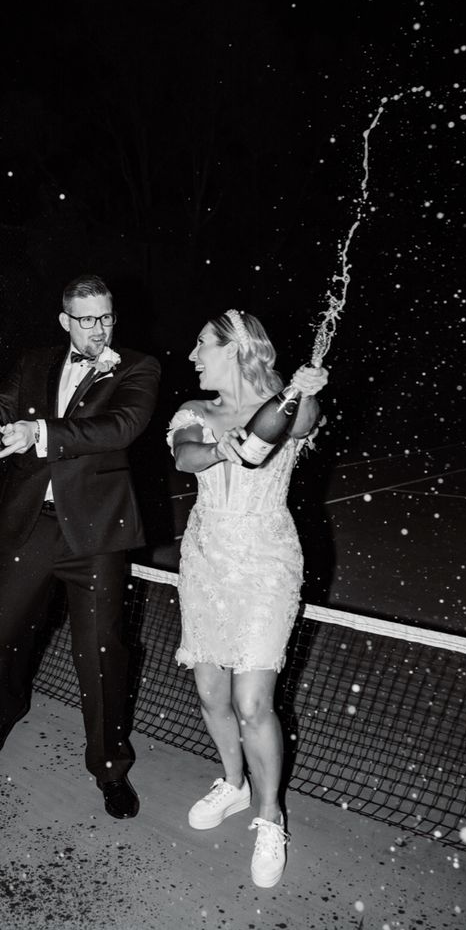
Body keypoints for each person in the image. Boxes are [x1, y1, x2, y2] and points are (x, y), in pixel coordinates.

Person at [0, 274, 160, 820]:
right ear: (65, 322)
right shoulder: (34, 363)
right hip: (30, 524)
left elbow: (121, 425)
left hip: (98, 535)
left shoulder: (137, 366)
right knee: (5, 629)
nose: (99, 328)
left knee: (102, 655)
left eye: (106, 316)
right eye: (87, 319)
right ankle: (6, 707)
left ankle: (109, 766)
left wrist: (41, 434)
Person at [167, 309, 328, 887]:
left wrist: (303, 389)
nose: (192, 356)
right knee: (211, 692)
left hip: (266, 563)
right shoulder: (194, 412)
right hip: (206, 560)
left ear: (235, 349)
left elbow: (302, 421)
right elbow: (186, 454)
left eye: (201, 346)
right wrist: (221, 450)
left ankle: (269, 816)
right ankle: (233, 785)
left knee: (253, 701)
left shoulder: (282, 406)